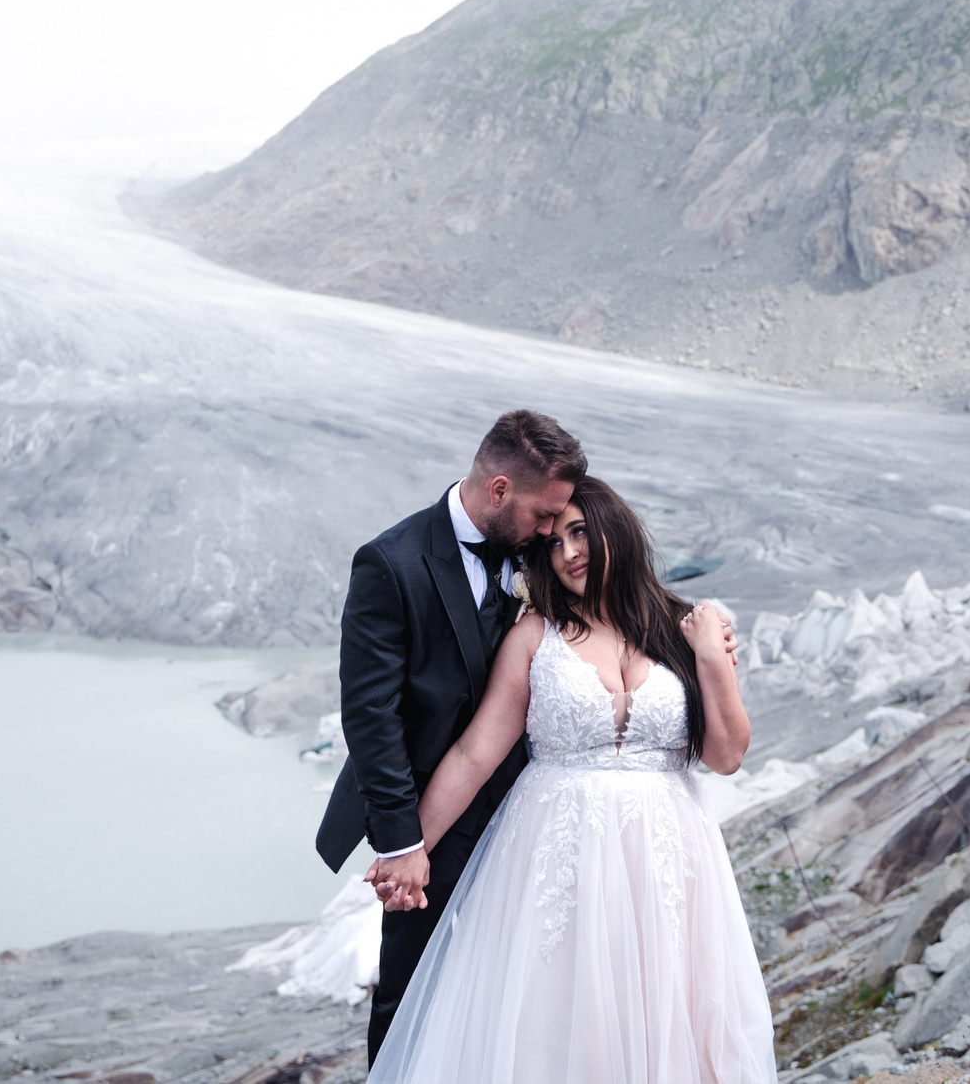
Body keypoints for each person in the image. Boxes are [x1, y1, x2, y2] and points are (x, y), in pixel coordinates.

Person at [367, 475, 777, 1084]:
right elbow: (475, 754)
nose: (568, 553)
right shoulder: (534, 637)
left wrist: (713, 658)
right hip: (556, 855)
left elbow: (726, 755)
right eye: (554, 544)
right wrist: (410, 849)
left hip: (666, 858)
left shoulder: (683, 629)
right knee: (553, 1023)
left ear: (616, 529)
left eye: (580, 532)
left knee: (668, 1013)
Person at [318, 409, 590, 1064]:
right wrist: (404, 842)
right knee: (411, 990)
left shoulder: (537, 547)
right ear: (499, 490)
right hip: (429, 816)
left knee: (523, 987)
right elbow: (371, 714)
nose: (551, 532)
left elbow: (607, 585)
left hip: (529, 809)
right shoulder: (391, 563)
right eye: (543, 515)